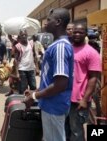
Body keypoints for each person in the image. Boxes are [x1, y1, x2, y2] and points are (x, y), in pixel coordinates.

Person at [24, 8, 74, 141]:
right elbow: (50, 78)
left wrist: (34, 96)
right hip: (51, 104)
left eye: (48, 20)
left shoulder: (60, 47)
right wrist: (36, 90)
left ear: (58, 22)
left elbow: (60, 84)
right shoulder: (57, 45)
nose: (45, 24)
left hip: (54, 106)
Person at [69, 23, 101, 141]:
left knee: (77, 131)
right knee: (67, 129)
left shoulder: (92, 53)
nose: (77, 34)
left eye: (80, 32)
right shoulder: (69, 48)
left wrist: (84, 99)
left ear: (85, 34)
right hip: (65, 97)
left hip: (79, 100)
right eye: (75, 32)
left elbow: (93, 78)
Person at [14, 29, 37, 94]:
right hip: (22, 69)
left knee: (33, 86)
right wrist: (17, 73)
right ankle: (23, 102)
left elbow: (35, 55)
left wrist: (37, 68)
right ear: (20, 36)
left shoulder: (31, 44)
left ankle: (33, 102)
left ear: (27, 35)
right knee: (23, 88)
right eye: (22, 35)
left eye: (25, 34)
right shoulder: (17, 46)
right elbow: (15, 59)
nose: (24, 36)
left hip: (31, 69)